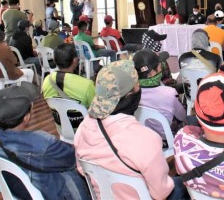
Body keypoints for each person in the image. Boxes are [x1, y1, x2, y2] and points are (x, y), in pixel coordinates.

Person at [74, 60, 187, 199]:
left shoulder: (83, 127)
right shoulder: (146, 138)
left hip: (103, 196)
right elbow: (161, 193)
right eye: (137, 85)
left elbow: (81, 169)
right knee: (183, 184)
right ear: (130, 95)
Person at [0, 82, 91, 199]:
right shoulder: (43, 143)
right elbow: (72, 159)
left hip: (17, 190)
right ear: (27, 117)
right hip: (48, 192)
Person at [133, 50, 186, 140]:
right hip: (169, 138)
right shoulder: (169, 93)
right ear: (153, 72)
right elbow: (182, 116)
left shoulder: (132, 93)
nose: (161, 66)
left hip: (147, 137)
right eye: (159, 64)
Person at [42, 43, 95, 131]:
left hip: (61, 128)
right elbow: (95, 110)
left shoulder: (47, 80)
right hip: (83, 130)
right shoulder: (86, 84)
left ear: (54, 60)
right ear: (75, 60)